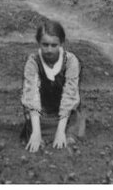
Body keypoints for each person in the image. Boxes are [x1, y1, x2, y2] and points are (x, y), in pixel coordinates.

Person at [21, 20, 84, 152]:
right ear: (39, 43)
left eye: (54, 45)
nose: (49, 50)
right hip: (42, 114)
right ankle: (39, 133)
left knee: (73, 126)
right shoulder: (33, 62)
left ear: (62, 43)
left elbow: (69, 95)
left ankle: (64, 132)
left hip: (66, 114)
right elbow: (31, 96)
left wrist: (60, 131)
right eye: (45, 45)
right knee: (34, 129)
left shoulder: (71, 62)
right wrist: (36, 132)